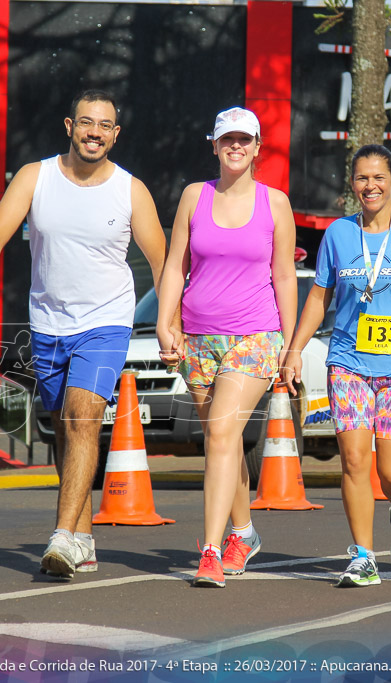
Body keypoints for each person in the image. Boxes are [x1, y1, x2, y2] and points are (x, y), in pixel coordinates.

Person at [0, 89, 166, 579]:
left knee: (83, 415)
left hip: (106, 322)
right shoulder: (37, 177)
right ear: (69, 127)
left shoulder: (130, 190)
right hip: (49, 324)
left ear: (116, 134)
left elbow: (163, 262)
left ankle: (61, 537)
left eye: (105, 125)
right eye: (86, 122)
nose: (95, 132)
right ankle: (84, 536)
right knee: (64, 428)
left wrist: (169, 323)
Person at [282, 145, 391, 587]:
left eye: (378, 178)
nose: (370, 186)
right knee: (354, 461)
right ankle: (363, 556)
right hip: (347, 361)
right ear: (351, 184)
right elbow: (319, 296)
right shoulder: (338, 234)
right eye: (361, 178)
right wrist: (295, 348)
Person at [156, 107, 297, 587]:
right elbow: (175, 266)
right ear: (214, 146)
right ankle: (244, 532)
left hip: (256, 336)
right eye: (227, 139)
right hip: (198, 336)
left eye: (245, 139)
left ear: (259, 147)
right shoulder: (194, 196)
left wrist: (291, 345)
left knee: (219, 434)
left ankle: (211, 551)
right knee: (225, 440)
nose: (236, 146)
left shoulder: (275, 203)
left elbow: (283, 276)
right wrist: (164, 322)